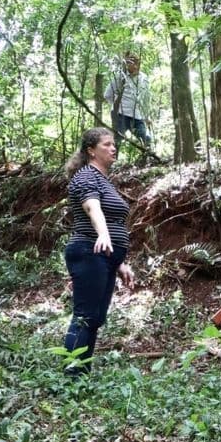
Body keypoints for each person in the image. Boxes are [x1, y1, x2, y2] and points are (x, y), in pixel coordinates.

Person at [62, 128, 135, 376]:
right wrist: (103, 235)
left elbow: (114, 222)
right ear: (91, 150)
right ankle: (72, 376)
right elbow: (93, 209)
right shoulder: (85, 176)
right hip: (88, 251)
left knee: (95, 318)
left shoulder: (104, 180)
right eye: (107, 144)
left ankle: (82, 374)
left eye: (114, 144)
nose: (113, 148)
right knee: (84, 315)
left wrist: (120, 262)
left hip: (104, 257)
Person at [104, 52, 153, 154]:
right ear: (126, 64)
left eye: (136, 63)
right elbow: (107, 95)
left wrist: (146, 116)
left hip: (137, 115)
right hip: (121, 114)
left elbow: (146, 98)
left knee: (146, 138)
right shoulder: (119, 77)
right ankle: (112, 165)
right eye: (131, 63)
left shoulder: (143, 78)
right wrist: (117, 105)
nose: (134, 66)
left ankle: (146, 162)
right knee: (117, 142)